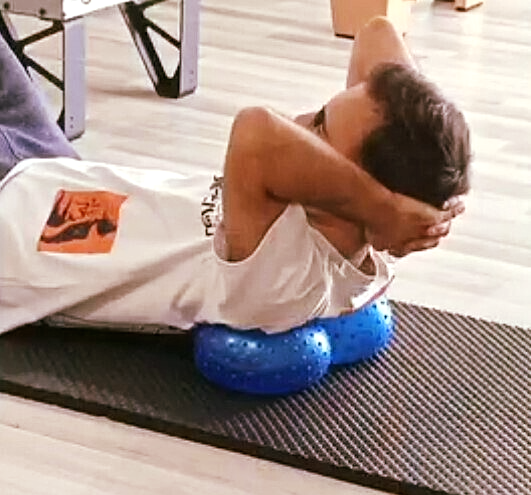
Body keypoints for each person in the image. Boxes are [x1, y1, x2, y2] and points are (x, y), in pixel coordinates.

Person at [0, 17, 469, 335]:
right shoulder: (351, 231)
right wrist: (423, 199)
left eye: (320, 128)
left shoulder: (289, 276)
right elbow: (376, 32)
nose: (299, 122)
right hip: (49, 167)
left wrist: (383, 208)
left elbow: (256, 130)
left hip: (10, 233)